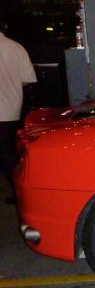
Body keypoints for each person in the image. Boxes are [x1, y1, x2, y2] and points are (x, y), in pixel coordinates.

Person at [0, 22, 37, 202]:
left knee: (6, 153)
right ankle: (19, 190)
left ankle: (19, 192)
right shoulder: (17, 48)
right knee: (8, 150)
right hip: (11, 108)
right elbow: (27, 80)